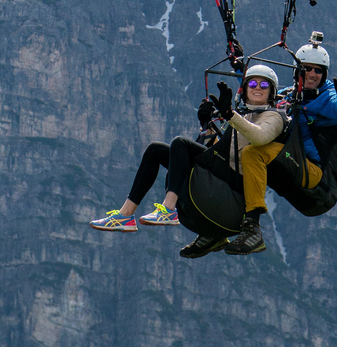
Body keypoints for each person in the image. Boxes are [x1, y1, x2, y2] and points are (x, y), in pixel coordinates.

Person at [89, 65, 286, 258]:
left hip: (238, 186)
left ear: (272, 92)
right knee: (155, 150)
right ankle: (126, 215)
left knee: (181, 144)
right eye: (252, 83)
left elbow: (260, 137)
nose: (258, 87)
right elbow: (213, 151)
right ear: (245, 90)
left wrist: (230, 115)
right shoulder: (241, 116)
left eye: (264, 85)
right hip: (222, 175)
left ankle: (168, 210)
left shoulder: (275, 116)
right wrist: (206, 125)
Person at [225, 37, 337, 256]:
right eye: (306, 68)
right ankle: (221, 219)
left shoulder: (327, 97)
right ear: (298, 70)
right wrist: (242, 68)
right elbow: (263, 95)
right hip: (288, 157)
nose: (312, 74)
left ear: (324, 74)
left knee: (253, 154)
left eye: (318, 70)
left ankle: (252, 228)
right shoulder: (291, 94)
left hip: (310, 169)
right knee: (238, 149)